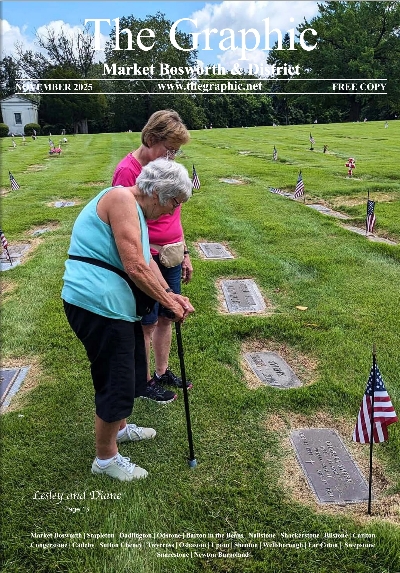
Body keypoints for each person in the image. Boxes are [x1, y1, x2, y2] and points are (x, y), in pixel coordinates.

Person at [62, 159, 195, 481]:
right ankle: (105, 459)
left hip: (113, 307)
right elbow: (134, 265)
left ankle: (119, 429)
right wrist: (167, 302)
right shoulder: (121, 199)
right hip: (97, 306)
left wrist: (170, 296)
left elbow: (147, 261)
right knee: (116, 380)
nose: (171, 212)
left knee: (132, 368)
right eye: (174, 203)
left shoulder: (133, 209)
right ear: (158, 192)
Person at [112, 110, 194, 404]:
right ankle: (145, 381)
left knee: (167, 316)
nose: (172, 156)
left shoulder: (168, 170)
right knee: (146, 322)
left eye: (176, 151)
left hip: (171, 251)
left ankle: (161, 372)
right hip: (147, 256)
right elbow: (125, 227)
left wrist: (184, 251)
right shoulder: (127, 171)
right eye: (169, 149)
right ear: (150, 138)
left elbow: (177, 213)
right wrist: (147, 258)